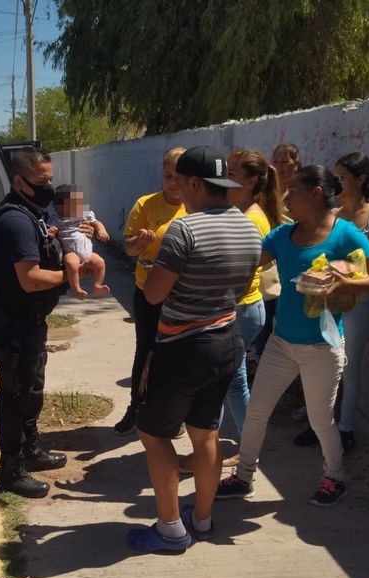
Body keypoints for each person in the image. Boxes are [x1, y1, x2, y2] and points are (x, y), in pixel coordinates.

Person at [217, 165, 369, 506]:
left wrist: (346, 283)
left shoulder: (345, 234)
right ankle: (243, 477)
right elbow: (249, 262)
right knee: (257, 412)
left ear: (315, 193)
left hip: (322, 347)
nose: (286, 200)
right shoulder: (283, 235)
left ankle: (335, 477)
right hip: (281, 343)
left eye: (294, 192)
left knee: (320, 420)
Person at [126, 146, 260, 553]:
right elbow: (241, 287)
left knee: (153, 435)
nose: (178, 190)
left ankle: (170, 529)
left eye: (181, 182)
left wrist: (153, 266)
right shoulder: (248, 225)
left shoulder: (185, 229)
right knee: (206, 434)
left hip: (183, 346)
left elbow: (153, 294)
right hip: (227, 340)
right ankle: (201, 519)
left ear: (195, 184)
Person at [0, 148, 88, 498]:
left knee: (31, 390)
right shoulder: (15, 221)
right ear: (19, 182)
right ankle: (11, 470)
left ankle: (31, 450)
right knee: (15, 396)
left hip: (29, 323)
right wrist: (72, 274)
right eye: (42, 181)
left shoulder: (33, 214)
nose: (49, 187)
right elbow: (30, 279)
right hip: (13, 326)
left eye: (51, 179)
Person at [293, 152, 369, 453]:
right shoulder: (334, 214)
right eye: (335, 177)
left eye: (343, 177)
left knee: (348, 365)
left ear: (361, 179)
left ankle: (346, 428)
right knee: (322, 363)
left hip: (359, 300)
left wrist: (351, 269)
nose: (337, 183)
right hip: (327, 300)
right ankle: (320, 424)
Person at [113, 147, 187, 436]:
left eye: (180, 176)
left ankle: (174, 416)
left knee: (178, 356)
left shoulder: (196, 206)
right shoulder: (146, 204)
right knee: (145, 351)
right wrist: (140, 243)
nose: (174, 182)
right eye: (168, 175)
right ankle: (136, 408)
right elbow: (129, 248)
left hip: (183, 297)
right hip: (148, 292)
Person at [220, 148, 285, 464]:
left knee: (226, 382)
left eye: (232, 172)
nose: (224, 177)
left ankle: (233, 452)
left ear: (251, 181)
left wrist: (220, 303)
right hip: (242, 309)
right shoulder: (241, 211)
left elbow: (246, 276)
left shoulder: (251, 219)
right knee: (232, 381)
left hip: (241, 310)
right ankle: (243, 450)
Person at [251, 143, 301, 363]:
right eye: (276, 161)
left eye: (285, 161)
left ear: (296, 164)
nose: (280, 166)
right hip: (266, 268)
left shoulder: (299, 193)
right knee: (262, 326)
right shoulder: (263, 194)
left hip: (289, 266)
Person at [51, 184, 111, 300]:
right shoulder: (56, 219)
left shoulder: (85, 214)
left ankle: (97, 285)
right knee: (71, 264)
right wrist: (52, 232)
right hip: (70, 251)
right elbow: (50, 229)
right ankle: (76, 288)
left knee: (100, 262)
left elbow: (96, 223)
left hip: (88, 252)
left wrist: (101, 230)